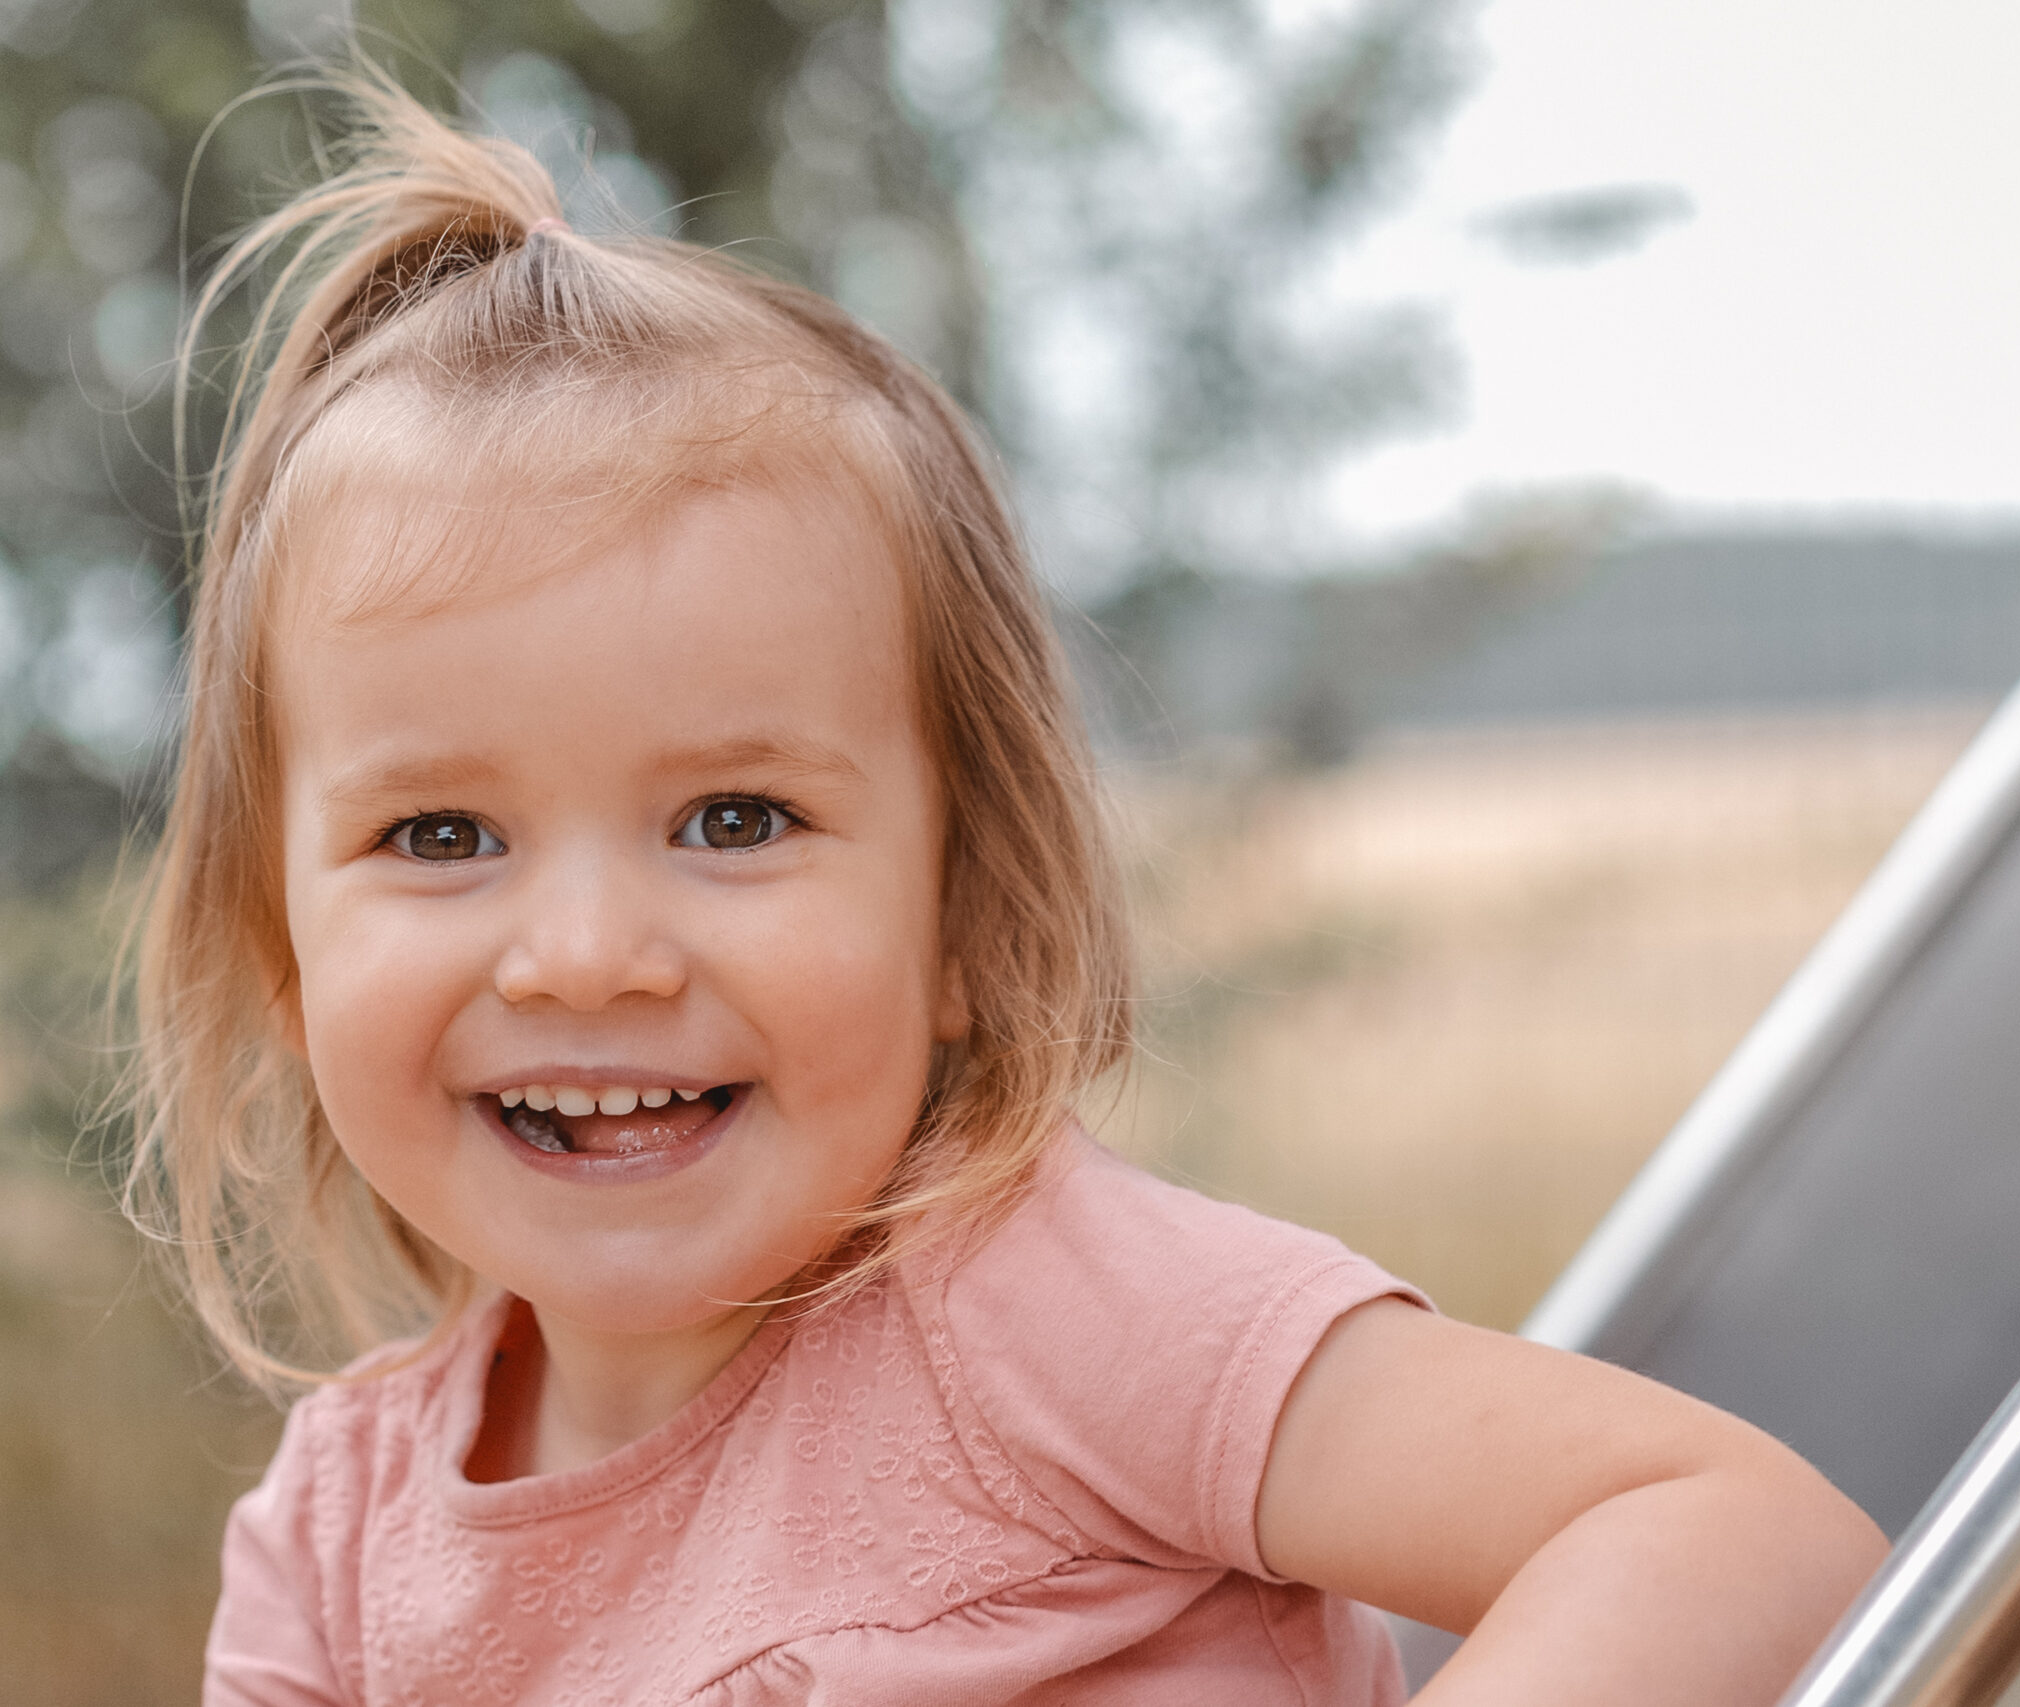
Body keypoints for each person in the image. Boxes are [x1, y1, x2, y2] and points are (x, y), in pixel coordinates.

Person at [133, 71, 1885, 1707]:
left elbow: (1736, 1534)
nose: (588, 957)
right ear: (281, 956)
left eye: (735, 820)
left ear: (967, 921)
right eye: (441, 837)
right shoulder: (337, 1544)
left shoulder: (1040, 1314)